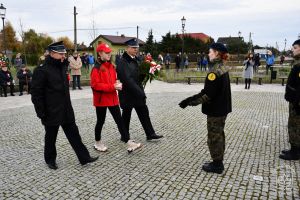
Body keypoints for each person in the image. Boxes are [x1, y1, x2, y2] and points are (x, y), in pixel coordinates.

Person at [31, 41, 98, 170]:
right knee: (51, 137)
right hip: (51, 111)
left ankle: (84, 157)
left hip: (66, 110)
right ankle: (50, 159)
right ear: (51, 53)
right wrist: (41, 112)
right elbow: (36, 94)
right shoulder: (42, 70)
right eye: (60, 54)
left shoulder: (62, 67)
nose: (63, 56)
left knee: (74, 134)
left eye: (64, 53)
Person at [179, 43, 232, 174]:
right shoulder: (222, 67)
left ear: (217, 53)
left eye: (210, 52)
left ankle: (217, 164)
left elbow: (207, 94)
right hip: (222, 108)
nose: (208, 54)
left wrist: (189, 101)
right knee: (219, 135)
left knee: (214, 137)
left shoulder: (214, 71)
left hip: (216, 109)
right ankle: (217, 160)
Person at [91, 43, 142, 153]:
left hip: (113, 99)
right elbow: (95, 85)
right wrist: (112, 86)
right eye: (106, 52)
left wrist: (117, 83)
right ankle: (97, 142)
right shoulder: (96, 68)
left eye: (110, 52)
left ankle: (128, 141)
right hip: (101, 101)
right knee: (100, 121)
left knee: (120, 121)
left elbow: (114, 80)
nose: (109, 54)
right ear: (100, 54)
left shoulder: (112, 66)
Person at [116, 38, 163, 141]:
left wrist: (149, 72)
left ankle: (150, 133)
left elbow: (139, 76)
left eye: (136, 48)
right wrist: (140, 92)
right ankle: (124, 136)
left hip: (137, 92)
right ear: (127, 48)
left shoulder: (137, 59)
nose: (136, 50)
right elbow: (127, 79)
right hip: (128, 93)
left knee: (144, 112)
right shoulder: (122, 61)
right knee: (126, 115)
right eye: (133, 48)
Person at [279, 39, 300, 160]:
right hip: (294, 100)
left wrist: (297, 101)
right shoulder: (296, 62)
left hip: (297, 102)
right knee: (294, 124)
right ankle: (295, 149)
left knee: (294, 124)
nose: (293, 49)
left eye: (295, 47)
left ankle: (295, 151)